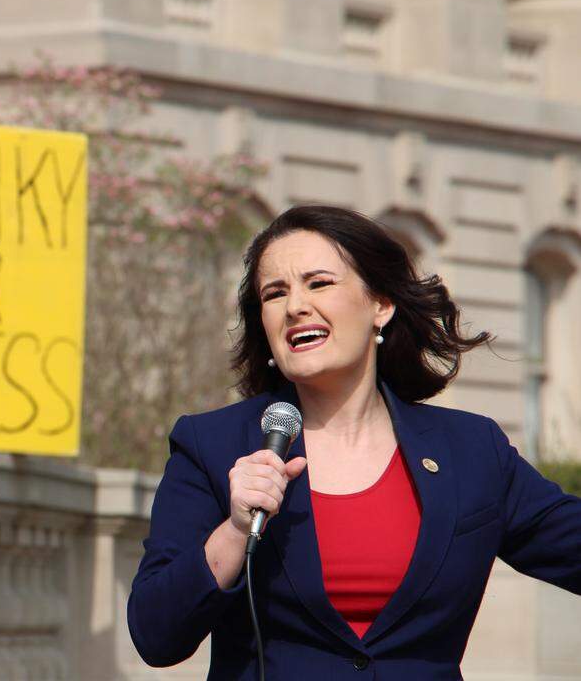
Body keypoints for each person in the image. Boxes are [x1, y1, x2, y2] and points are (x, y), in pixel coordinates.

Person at [128, 205, 581, 679]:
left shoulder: (471, 449)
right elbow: (155, 634)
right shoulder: (213, 445)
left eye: (318, 283)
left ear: (380, 304)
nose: (295, 306)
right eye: (274, 293)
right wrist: (236, 531)